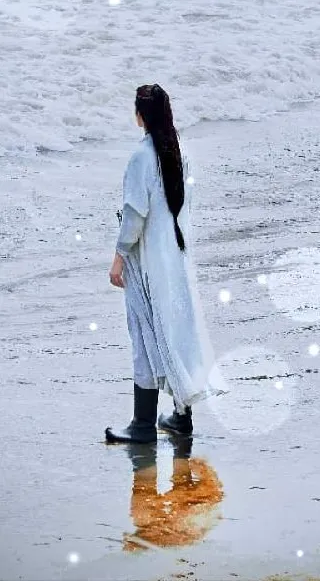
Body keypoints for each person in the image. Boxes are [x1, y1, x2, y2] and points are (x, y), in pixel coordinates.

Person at [106, 83, 226, 444]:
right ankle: (180, 417)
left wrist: (118, 258)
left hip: (148, 262)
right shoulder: (178, 150)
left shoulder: (142, 156)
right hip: (176, 257)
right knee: (175, 332)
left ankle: (142, 426)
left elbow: (134, 215)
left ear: (140, 115)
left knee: (146, 336)